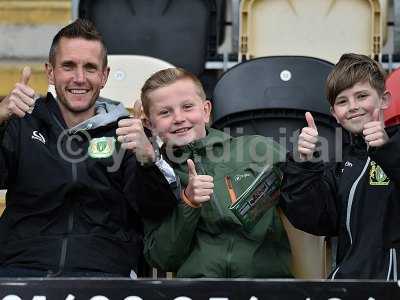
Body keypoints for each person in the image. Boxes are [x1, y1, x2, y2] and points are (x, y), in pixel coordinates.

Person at [0, 19, 177, 277]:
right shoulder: (22, 124)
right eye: (68, 66)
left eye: (90, 68)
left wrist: (148, 160)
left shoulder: (127, 134)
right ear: (50, 72)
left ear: (104, 75)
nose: (80, 78)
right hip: (21, 270)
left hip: (105, 274)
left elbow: (156, 211)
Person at [125, 67, 293, 278]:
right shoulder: (155, 177)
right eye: (164, 112)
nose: (178, 118)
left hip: (265, 286)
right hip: (200, 290)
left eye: (187, 107)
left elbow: (306, 198)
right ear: (149, 123)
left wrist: (305, 160)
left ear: (205, 111)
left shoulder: (258, 149)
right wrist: (188, 202)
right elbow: (162, 258)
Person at [281, 53, 400, 279]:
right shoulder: (341, 162)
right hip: (349, 285)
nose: (353, 107)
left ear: (384, 99)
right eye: (342, 101)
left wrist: (386, 150)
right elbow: (314, 219)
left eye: (362, 96)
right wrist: (303, 162)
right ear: (334, 114)